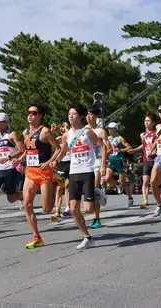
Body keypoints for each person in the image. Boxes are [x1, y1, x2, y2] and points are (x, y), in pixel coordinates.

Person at [54, 104, 102, 249]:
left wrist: (103, 164)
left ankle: (97, 194)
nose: (70, 116)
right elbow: (63, 151)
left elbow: (102, 145)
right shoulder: (66, 135)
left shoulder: (87, 132)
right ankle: (87, 237)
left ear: (80, 116)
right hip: (74, 172)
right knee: (74, 208)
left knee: (88, 209)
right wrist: (55, 161)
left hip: (87, 170)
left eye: (73, 114)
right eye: (69, 114)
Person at [21, 103, 63, 249]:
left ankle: (57, 182)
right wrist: (20, 158)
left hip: (44, 171)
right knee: (26, 204)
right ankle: (37, 237)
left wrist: (50, 162)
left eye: (33, 113)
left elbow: (58, 148)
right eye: (29, 112)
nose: (30, 115)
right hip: (31, 171)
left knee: (47, 209)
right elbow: (28, 150)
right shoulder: (25, 133)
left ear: (40, 116)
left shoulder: (45, 132)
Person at [127, 112, 158, 209]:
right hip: (145, 160)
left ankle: (158, 200)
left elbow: (158, 143)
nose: (147, 123)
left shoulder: (156, 133)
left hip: (155, 160)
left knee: (154, 182)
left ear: (153, 123)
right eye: (145, 121)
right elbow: (143, 146)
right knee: (145, 181)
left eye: (149, 121)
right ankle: (145, 200)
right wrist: (135, 150)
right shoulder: (143, 135)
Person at [86, 106, 108, 229]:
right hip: (85, 163)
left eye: (91, 114)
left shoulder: (101, 131)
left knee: (94, 189)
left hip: (97, 162)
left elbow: (107, 148)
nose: (88, 117)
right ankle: (101, 195)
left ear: (96, 116)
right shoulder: (83, 130)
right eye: (87, 114)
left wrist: (103, 164)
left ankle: (97, 218)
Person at [104, 122, 134, 207]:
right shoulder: (108, 138)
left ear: (115, 129)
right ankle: (117, 184)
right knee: (106, 179)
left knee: (123, 182)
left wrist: (120, 150)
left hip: (119, 161)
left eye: (111, 129)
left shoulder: (120, 138)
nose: (109, 130)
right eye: (108, 129)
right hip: (111, 161)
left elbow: (129, 147)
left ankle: (130, 198)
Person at [52, 119, 73, 222]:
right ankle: (57, 210)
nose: (62, 128)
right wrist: (52, 132)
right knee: (60, 187)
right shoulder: (59, 138)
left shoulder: (72, 137)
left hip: (71, 163)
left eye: (65, 126)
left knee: (68, 186)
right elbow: (49, 142)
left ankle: (68, 208)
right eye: (61, 126)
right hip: (61, 165)